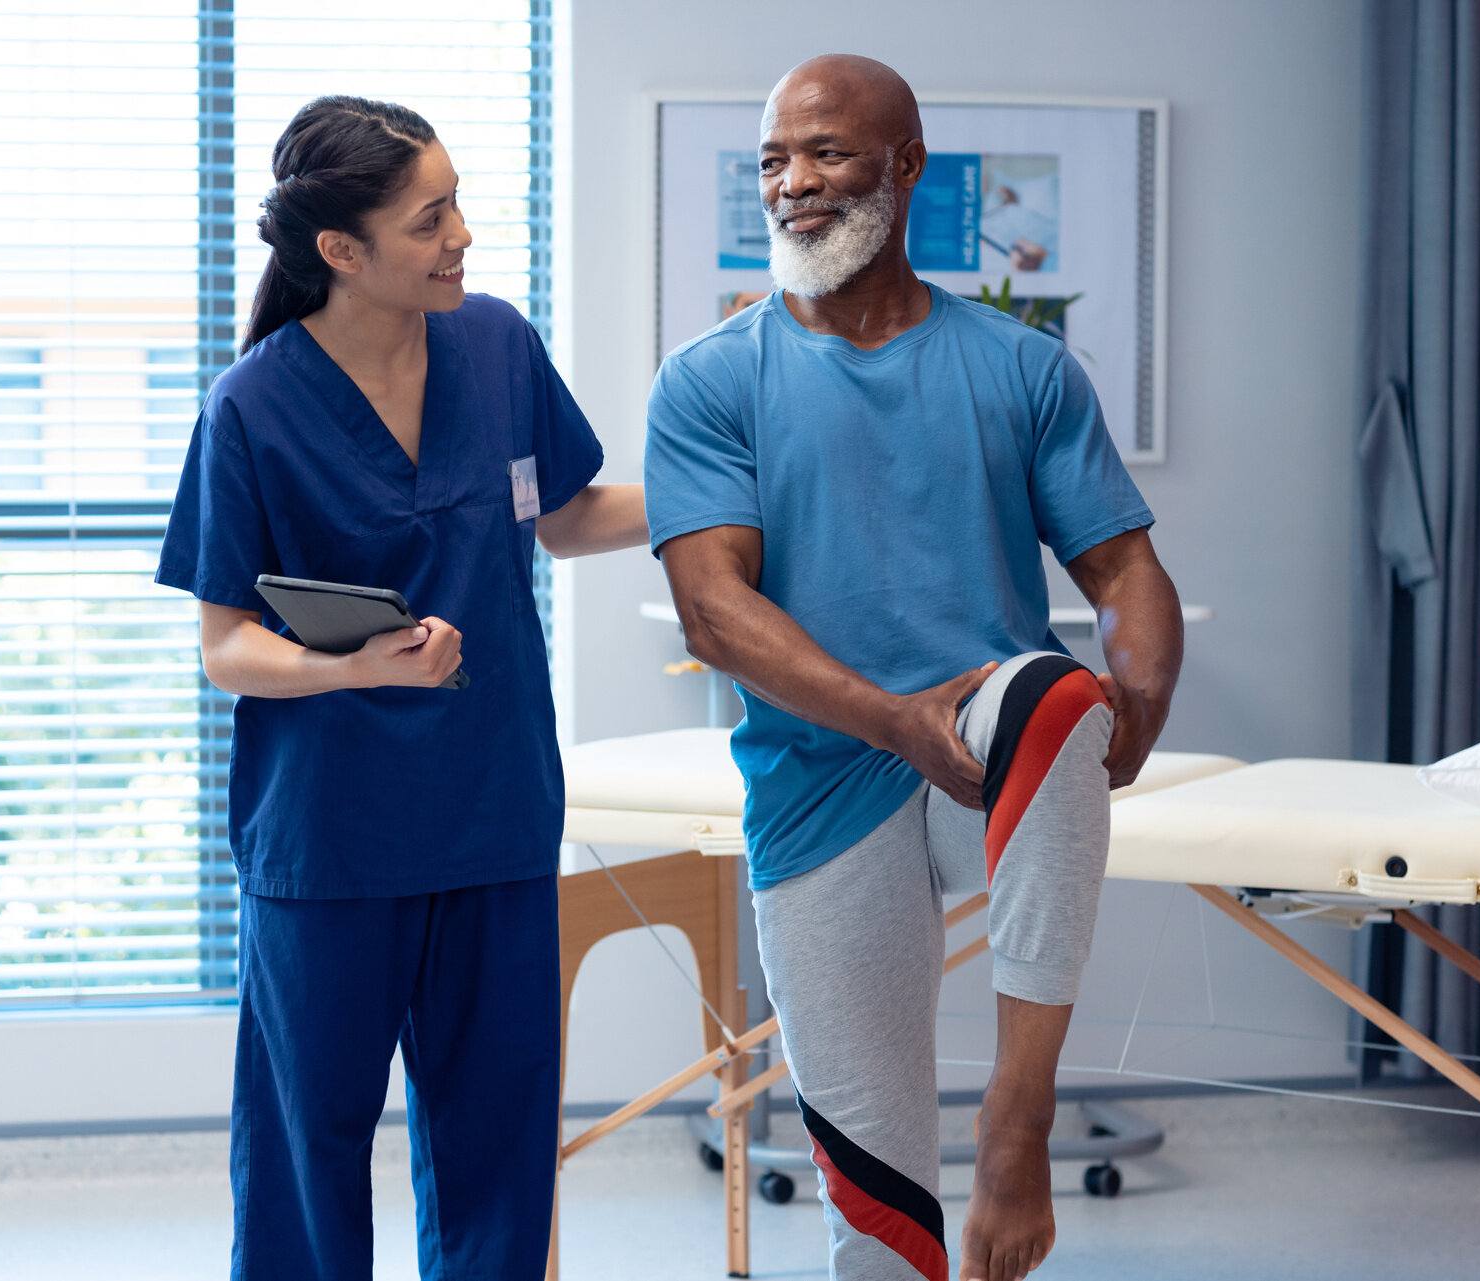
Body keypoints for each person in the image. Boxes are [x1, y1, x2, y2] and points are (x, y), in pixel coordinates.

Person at [644, 56, 1183, 1281]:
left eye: (826, 152)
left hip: (991, 758)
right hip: (824, 786)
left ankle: (1016, 1118)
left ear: (906, 165)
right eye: (774, 160)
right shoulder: (712, 380)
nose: (794, 184)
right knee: (883, 1230)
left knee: (1056, 693)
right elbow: (714, 615)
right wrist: (892, 722)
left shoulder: (1021, 367)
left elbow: (1122, 570)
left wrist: (1139, 702)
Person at [156, 95, 646, 1281]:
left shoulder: (497, 346)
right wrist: (349, 665)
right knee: (304, 1149)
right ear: (341, 251)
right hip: (332, 842)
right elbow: (226, 647)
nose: (461, 236)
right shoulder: (253, 408)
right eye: (431, 219)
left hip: (493, 816)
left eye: (458, 204)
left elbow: (569, 518)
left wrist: (746, 492)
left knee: (500, 1145)